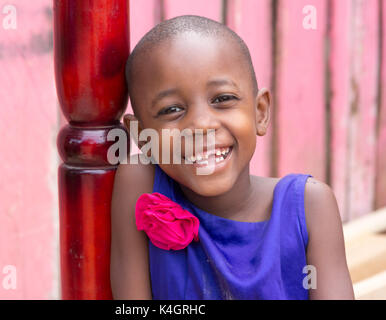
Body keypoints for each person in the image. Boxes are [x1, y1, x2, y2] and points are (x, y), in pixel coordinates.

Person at [110, 15, 354, 300]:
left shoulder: (309, 206)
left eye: (222, 99)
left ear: (260, 112)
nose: (201, 125)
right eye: (171, 110)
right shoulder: (140, 182)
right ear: (142, 137)